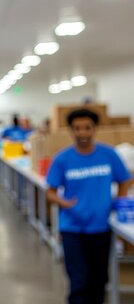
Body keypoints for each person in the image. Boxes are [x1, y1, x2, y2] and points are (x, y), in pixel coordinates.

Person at [46, 108, 132, 304]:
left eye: (87, 128)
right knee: (79, 283)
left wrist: (118, 201)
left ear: (95, 129)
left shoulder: (108, 154)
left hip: (101, 228)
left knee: (99, 281)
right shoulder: (63, 159)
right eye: (77, 128)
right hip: (72, 229)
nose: (82, 133)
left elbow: (125, 179)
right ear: (71, 130)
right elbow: (50, 191)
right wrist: (64, 202)